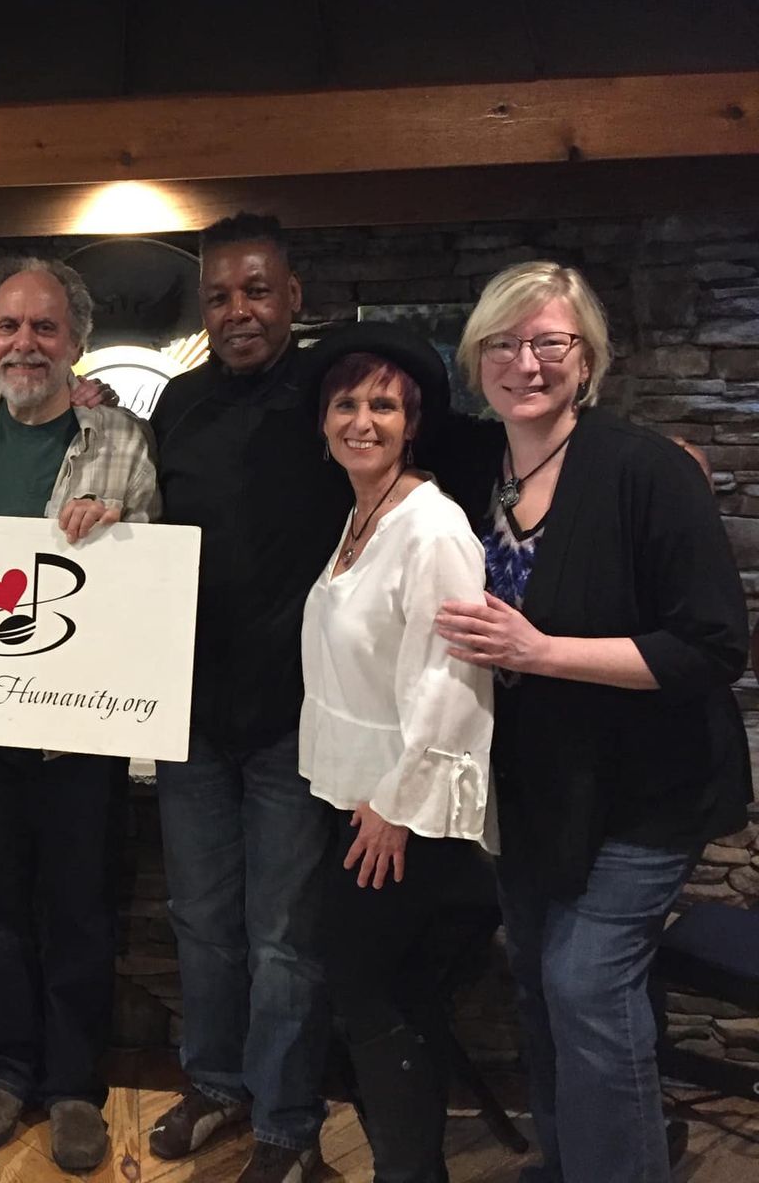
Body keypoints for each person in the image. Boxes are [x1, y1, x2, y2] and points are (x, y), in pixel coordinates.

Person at [435, 262, 750, 1183]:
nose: (526, 362)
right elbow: (358, 414)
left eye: (550, 342)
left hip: (647, 792)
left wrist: (543, 652)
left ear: (588, 359)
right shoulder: (470, 465)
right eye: (504, 343)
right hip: (536, 792)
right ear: (476, 358)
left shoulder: (648, 471)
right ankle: (576, 1162)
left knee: (584, 984)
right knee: (541, 984)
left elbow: (712, 648)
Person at [0, 257, 160, 1173]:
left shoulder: (123, 438)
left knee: (77, 910)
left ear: (76, 341)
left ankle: (72, 1085)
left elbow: (152, 577)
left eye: (45, 327)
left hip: (77, 729)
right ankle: (10, 1071)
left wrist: (122, 524)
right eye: (9, 326)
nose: (24, 344)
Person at [143, 213, 350, 1183]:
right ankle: (217, 1083)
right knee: (201, 924)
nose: (238, 311)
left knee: (284, 939)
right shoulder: (176, 405)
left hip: (294, 723)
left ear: (293, 297)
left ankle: (287, 1120)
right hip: (187, 715)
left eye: (257, 291)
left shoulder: (333, 395)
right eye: (220, 295)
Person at [298, 324, 496, 1183]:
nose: (362, 421)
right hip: (354, 798)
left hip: (399, 815)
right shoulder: (362, 515)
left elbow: (454, 680)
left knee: (373, 997)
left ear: (411, 423)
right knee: (384, 996)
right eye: (346, 403)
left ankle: (408, 1172)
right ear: (323, 421)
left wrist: (395, 806)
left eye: (383, 405)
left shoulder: (432, 528)